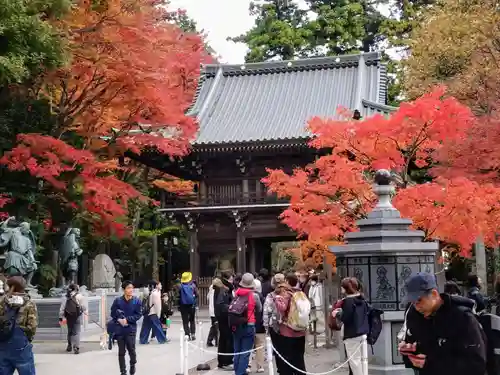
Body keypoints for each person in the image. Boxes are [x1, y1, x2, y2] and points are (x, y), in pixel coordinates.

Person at [398, 272, 486, 375]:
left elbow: (476, 364)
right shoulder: (414, 315)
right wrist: (409, 351)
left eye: (419, 301)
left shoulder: (462, 318)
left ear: (434, 294)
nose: (417, 307)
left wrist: (430, 364)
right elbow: (414, 350)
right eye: (412, 302)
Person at [0, 276, 37, 375]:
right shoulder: (29, 303)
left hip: (3, 342)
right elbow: (32, 326)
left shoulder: (3, 302)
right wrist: (28, 338)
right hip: (21, 345)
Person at [332, 277, 369, 375]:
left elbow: (346, 318)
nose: (341, 288)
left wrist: (337, 314)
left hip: (351, 333)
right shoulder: (361, 299)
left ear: (346, 288)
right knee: (362, 361)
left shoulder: (348, 301)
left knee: (354, 362)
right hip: (362, 331)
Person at [274, 273, 308, 375]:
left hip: (288, 331)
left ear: (287, 282)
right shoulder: (301, 293)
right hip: (301, 330)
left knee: (288, 357)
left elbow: (282, 308)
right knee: (299, 356)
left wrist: (277, 299)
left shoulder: (287, 294)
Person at [231, 273, 262, 375]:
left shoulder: (236, 293)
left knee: (237, 350)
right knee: (245, 351)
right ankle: (240, 372)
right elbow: (259, 309)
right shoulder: (254, 295)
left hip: (236, 324)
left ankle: (237, 371)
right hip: (249, 324)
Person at [110, 280, 142, 375]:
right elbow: (112, 313)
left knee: (131, 350)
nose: (131, 290)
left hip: (131, 328)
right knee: (121, 352)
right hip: (120, 329)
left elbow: (138, 315)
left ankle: (133, 365)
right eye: (128, 288)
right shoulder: (118, 301)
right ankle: (123, 371)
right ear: (123, 290)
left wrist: (127, 320)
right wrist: (119, 319)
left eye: (132, 288)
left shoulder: (137, 301)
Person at [263, 273, 286, 375]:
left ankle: (281, 370)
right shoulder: (288, 294)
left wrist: (266, 327)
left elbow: (266, 313)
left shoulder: (270, 296)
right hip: (287, 325)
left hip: (274, 326)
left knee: (277, 351)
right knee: (287, 350)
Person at [215, 270, 234, 370]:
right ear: (228, 279)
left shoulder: (222, 287)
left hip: (223, 316)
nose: (233, 280)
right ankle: (226, 361)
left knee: (223, 339)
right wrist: (232, 307)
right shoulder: (223, 289)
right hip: (225, 317)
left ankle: (222, 361)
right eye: (231, 278)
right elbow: (220, 304)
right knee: (227, 339)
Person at [59, 283, 85, 354]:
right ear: (76, 289)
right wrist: (82, 309)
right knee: (76, 332)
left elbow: (62, 308)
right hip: (77, 316)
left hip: (69, 316)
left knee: (70, 331)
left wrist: (60, 317)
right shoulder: (79, 296)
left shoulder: (65, 297)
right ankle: (76, 347)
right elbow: (84, 308)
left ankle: (69, 346)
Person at [251, 276, 266, 373]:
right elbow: (261, 310)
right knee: (259, 345)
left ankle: (247, 365)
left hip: (248, 323)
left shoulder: (245, 295)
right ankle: (260, 366)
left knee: (248, 345)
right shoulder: (261, 297)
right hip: (259, 324)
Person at [178, 272, 198, 341]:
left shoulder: (180, 286)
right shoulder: (193, 286)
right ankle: (193, 334)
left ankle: (187, 335)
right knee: (192, 320)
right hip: (192, 306)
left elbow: (178, 297)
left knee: (185, 321)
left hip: (183, 306)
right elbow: (197, 295)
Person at [207, 277, 219, 347]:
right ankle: (215, 341)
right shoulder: (215, 290)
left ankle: (210, 340)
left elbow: (207, 297)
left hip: (211, 310)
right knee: (216, 327)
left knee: (214, 326)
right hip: (215, 311)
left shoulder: (211, 289)